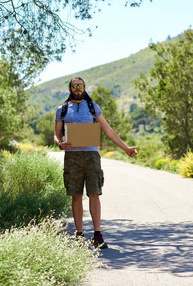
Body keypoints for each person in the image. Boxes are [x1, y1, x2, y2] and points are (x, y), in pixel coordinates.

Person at [54, 77, 138, 249]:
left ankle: (97, 235)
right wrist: (60, 143)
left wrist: (126, 148)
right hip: (72, 157)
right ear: (69, 88)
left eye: (81, 86)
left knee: (94, 193)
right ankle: (79, 235)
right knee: (76, 195)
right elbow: (56, 134)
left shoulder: (93, 107)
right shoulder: (62, 110)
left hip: (92, 156)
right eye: (75, 86)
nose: (78, 88)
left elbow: (108, 130)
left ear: (84, 88)